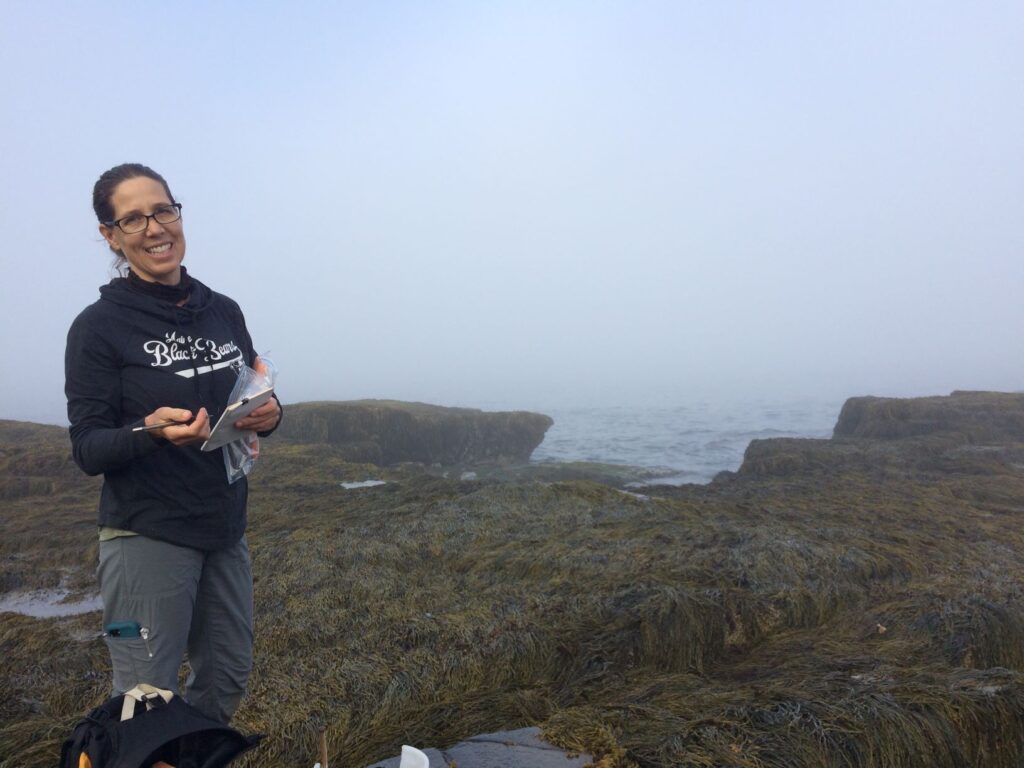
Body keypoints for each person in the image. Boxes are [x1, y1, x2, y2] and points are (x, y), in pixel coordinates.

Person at [65, 163, 281, 725]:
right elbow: (87, 448)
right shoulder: (98, 327)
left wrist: (270, 414)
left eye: (163, 210)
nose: (155, 227)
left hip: (224, 527)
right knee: (145, 701)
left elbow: (248, 389)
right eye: (132, 218)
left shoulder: (222, 310)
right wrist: (149, 432)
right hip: (146, 535)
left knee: (226, 678)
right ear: (110, 235)